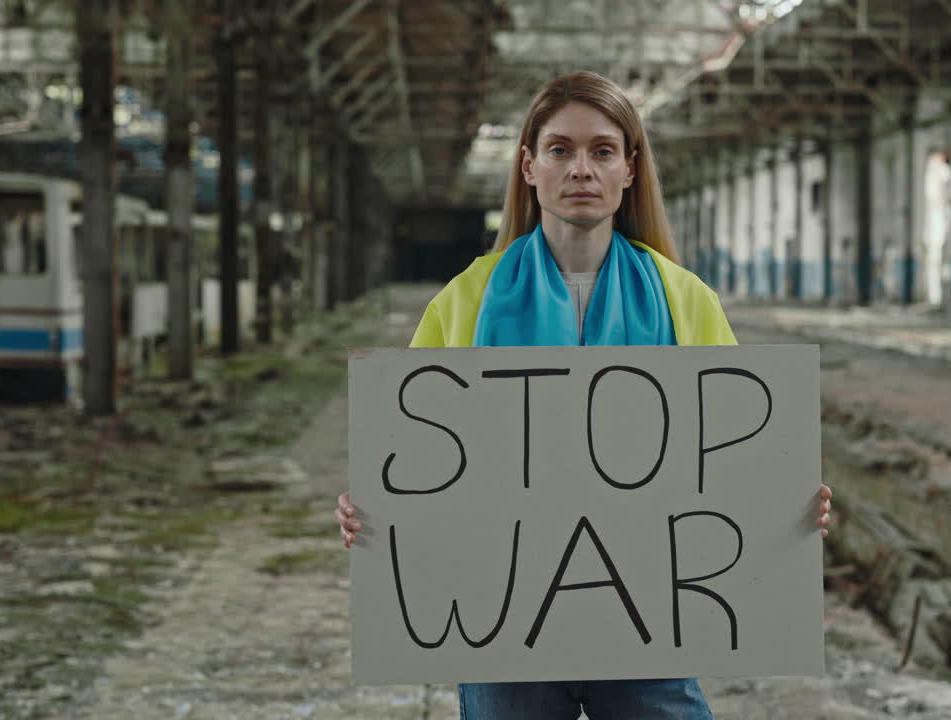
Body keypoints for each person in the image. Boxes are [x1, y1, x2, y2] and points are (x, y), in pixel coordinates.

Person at [335, 70, 833, 719]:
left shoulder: (686, 300)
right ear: (528, 167)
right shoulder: (466, 298)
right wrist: (371, 504)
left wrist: (786, 503)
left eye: (602, 151)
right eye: (560, 150)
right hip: (501, 619)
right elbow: (414, 454)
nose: (581, 170)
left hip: (648, 614)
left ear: (629, 169)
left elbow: (736, 455)